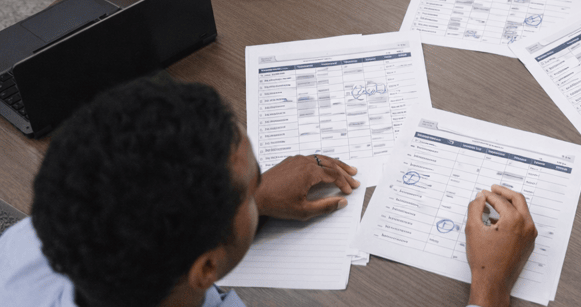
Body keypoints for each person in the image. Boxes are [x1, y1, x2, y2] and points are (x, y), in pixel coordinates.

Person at [0, 75, 537, 307]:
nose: (263, 183)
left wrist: (241, 204)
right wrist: (490, 287)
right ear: (207, 267)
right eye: (252, 181)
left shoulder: (29, 243)